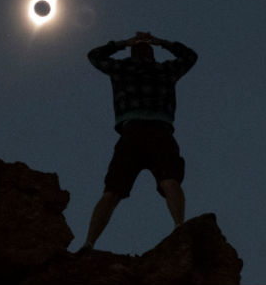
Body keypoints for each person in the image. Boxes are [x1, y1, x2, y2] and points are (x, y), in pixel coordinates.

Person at [80, 32, 198, 253]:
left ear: (133, 52)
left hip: (131, 132)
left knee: (112, 191)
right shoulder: (165, 70)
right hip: (160, 131)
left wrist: (123, 43)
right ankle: (179, 226)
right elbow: (190, 56)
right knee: (169, 180)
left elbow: (94, 55)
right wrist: (161, 41)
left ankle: (89, 243)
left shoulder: (122, 69)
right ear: (151, 54)